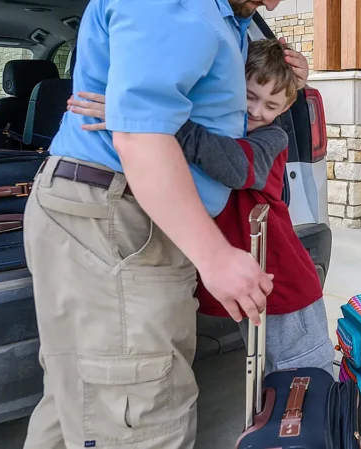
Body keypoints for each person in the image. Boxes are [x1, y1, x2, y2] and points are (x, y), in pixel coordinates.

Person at [22, 0, 320, 449]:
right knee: (141, 409)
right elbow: (142, 137)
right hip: (117, 219)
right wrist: (214, 257)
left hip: (119, 214)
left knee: (82, 401)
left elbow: (205, 100)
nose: (273, 7)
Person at [68, 38, 335, 377]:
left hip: (281, 279)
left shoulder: (272, 139)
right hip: (239, 277)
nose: (256, 110)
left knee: (304, 377)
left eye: (271, 105)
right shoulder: (211, 120)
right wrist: (134, 115)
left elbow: (235, 168)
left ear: (283, 110)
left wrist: (148, 120)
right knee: (264, 381)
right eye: (250, 96)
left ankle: (323, 429)